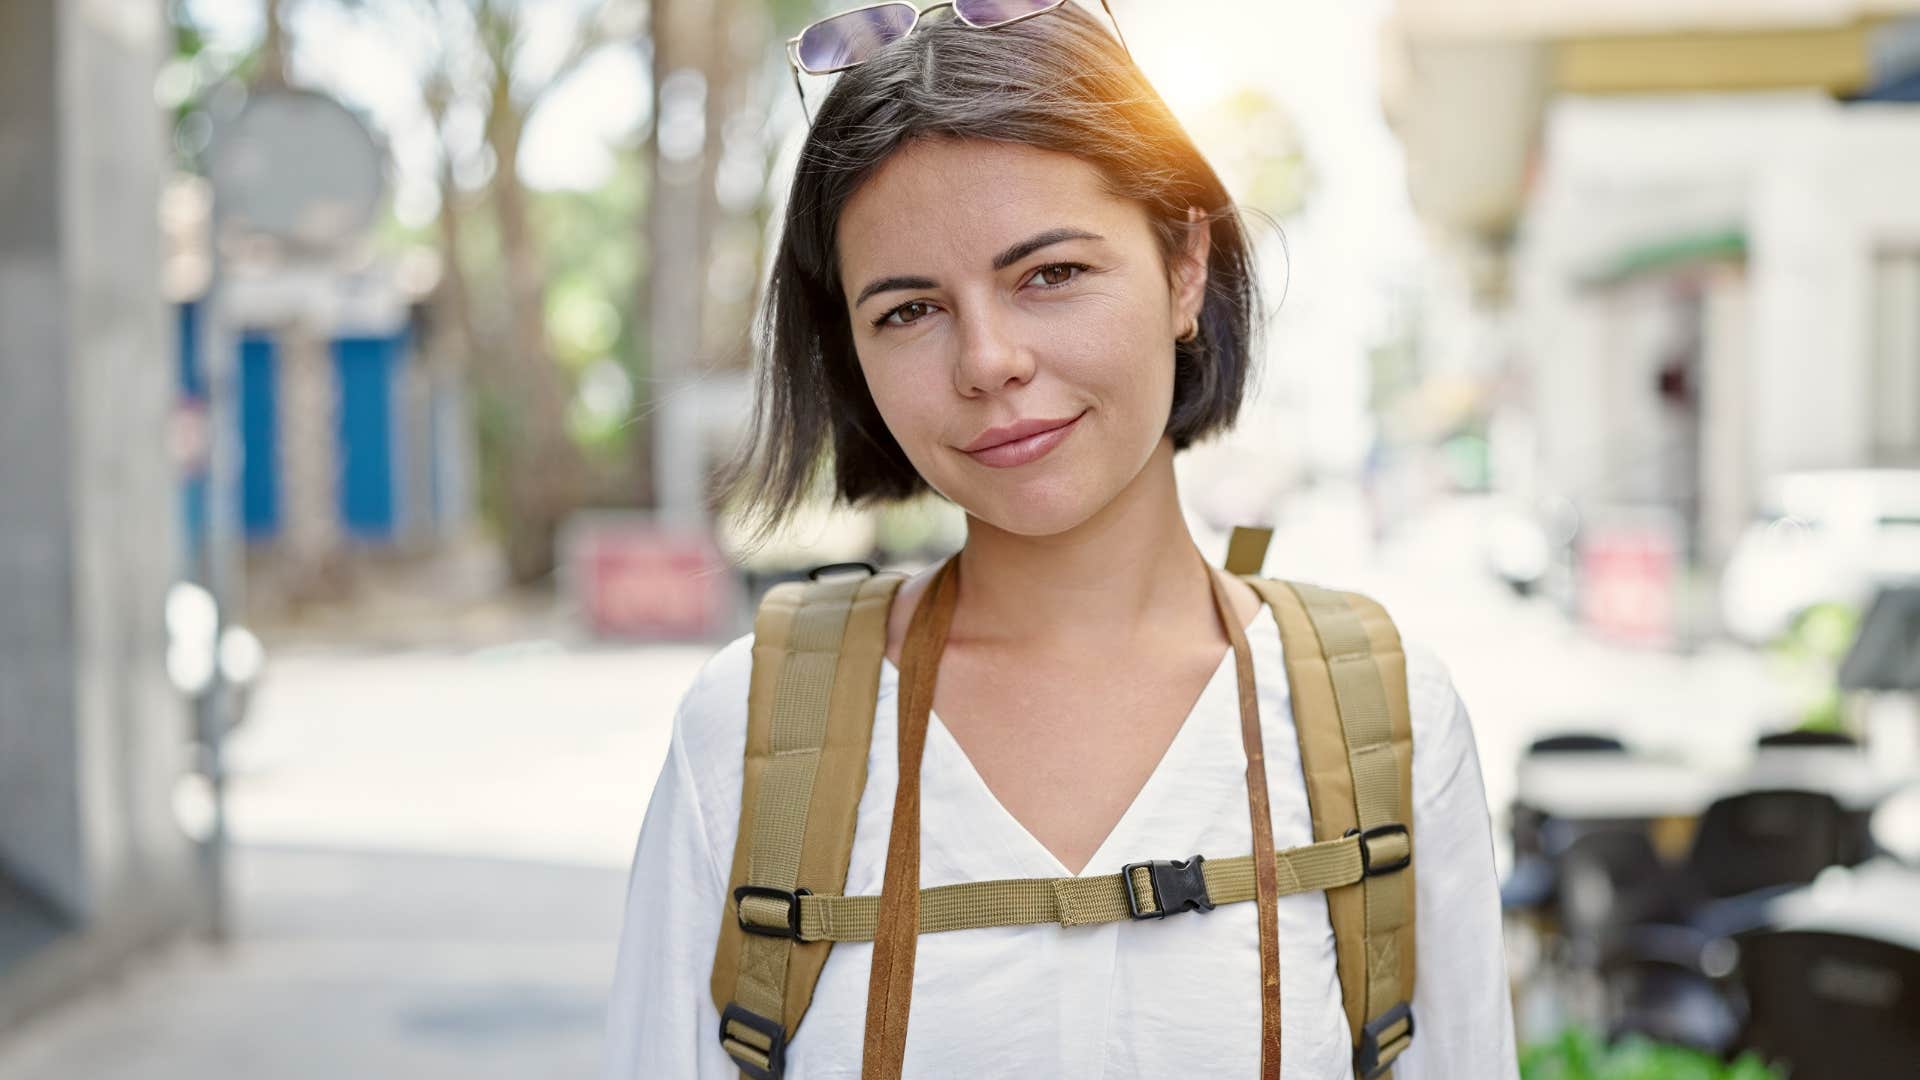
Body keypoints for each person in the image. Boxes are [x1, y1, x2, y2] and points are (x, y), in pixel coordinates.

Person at [603, 2, 1517, 1076]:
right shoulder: (751, 736)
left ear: (1184, 265)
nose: (987, 361)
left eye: (1050, 274)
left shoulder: (1385, 719)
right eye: (908, 310)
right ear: (849, 347)